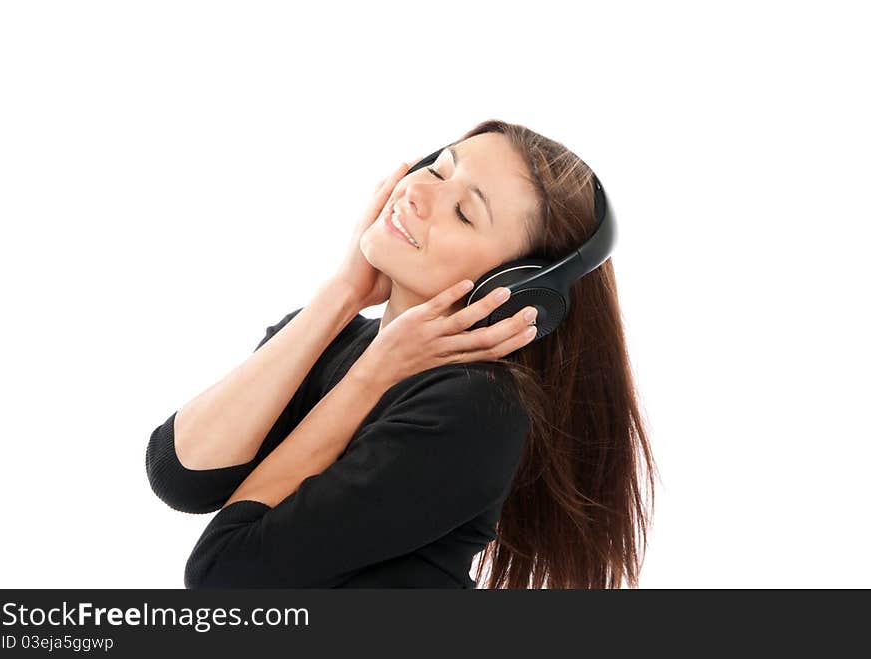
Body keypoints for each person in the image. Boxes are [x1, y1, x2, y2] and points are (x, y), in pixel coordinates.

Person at [145, 118, 657, 589]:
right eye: (438, 168)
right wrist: (343, 292)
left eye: (463, 212)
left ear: (516, 288)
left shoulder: (475, 409)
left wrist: (371, 376)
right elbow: (181, 473)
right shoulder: (334, 336)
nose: (416, 192)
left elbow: (221, 577)